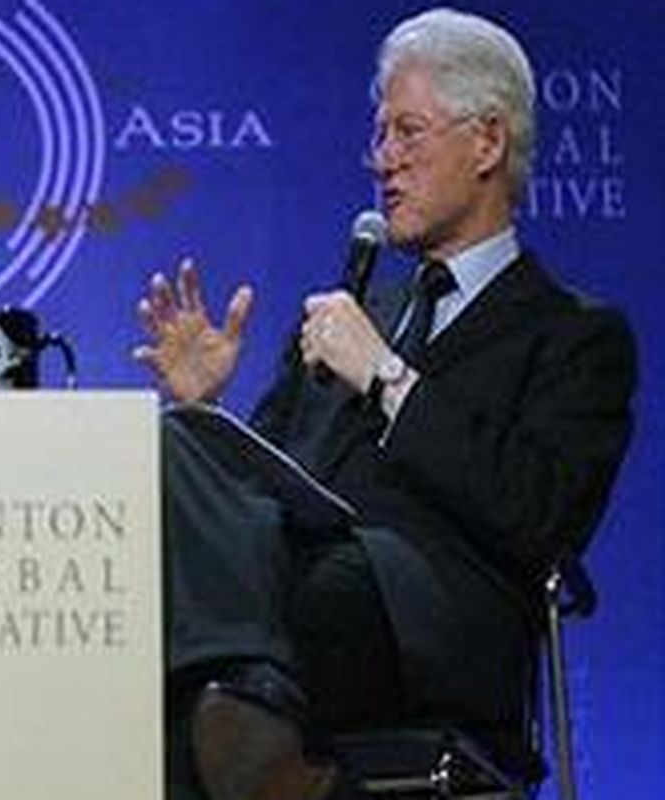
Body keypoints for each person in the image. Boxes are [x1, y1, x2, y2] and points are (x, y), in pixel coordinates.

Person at [133, 9, 636, 800]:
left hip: (431, 614)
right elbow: (256, 490)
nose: (384, 163)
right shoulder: (353, 309)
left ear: (488, 142)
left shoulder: (574, 334)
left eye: (408, 133)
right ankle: (252, 734)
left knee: (285, 601)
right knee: (170, 457)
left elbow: (538, 514)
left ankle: (248, 720)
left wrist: (390, 378)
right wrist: (209, 409)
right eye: (380, 138)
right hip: (291, 584)